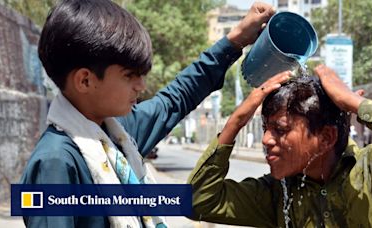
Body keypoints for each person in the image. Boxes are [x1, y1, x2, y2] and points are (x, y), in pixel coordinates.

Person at [20, 0, 276, 227]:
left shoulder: (118, 135)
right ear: (85, 81)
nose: (141, 86)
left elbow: (175, 98)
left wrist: (234, 41)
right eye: (130, 76)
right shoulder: (54, 163)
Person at [187, 65, 372, 227]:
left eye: (280, 130)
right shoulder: (279, 192)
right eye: (265, 128)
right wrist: (236, 122)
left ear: (326, 137)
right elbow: (192, 201)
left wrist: (354, 103)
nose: (266, 140)